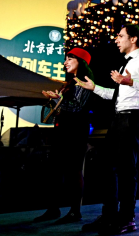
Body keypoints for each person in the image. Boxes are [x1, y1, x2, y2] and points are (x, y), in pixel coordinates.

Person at [75, 23, 139, 236]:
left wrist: (130, 81)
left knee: (126, 169)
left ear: (133, 39)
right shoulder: (126, 64)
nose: (116, 39)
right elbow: (117, 95)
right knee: (107, 166)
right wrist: (95, 88)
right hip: (118, 118)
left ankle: (127, 218)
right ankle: (109, 214)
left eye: (120, 36)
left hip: (132, 118)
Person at [34, 47, 94, 224]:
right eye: (66, 58)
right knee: (55, 169)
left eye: (70, 58)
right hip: (63, 130)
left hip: (76, 131)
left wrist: (57, 101)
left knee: (74, 170)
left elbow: (77, 107)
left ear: (81, 62)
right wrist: (56, 100)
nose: (65, 62)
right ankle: (53, 209)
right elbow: (65, 107)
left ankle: (75, 211)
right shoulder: (69, 83)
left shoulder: (83, 81)